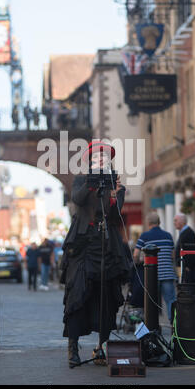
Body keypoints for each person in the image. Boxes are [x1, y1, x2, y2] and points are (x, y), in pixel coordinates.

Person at [60, 140, 131, 368]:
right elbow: (78, 200)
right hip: (83, 244)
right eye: (97, 157)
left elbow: (114, 213)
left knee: (106, 296)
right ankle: (73, 348)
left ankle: (102, 347)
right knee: (78, 294)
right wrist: (92, 184)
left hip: (106, 244)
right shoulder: (81, 180)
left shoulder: (116, 184)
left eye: (105, 157)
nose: (101, 160)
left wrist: (115, 194)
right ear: (90, 161)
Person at [134, 212, 177, 323]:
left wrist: (139, 262)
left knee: (151, 301)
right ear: (159, 222)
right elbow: (173, 255)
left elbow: (136, 254)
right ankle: (174, 323)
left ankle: (152, 324)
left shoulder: (145, 236)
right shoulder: (168, 236)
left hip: (151, 275)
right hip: (167, 273)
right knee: (170, 300)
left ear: (148, 223)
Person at [174, 213, 195, 284]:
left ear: (182, 221)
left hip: (189, 269)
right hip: (184, 268)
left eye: (176, 220)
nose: (174, 223)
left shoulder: (188, 233)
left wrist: (187, 266)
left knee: (189, 290)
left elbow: (191, 250)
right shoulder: (183, 232)